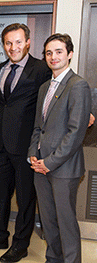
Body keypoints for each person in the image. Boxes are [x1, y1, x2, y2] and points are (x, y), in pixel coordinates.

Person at [0, 24, 51, 262]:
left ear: (28, 42)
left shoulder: (41, 69)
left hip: (27, 148)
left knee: (26, 199)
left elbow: (55, 98)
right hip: (1, 146)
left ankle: (21, 245)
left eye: (18, 42)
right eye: (8, 43)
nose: (13, 47)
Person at [28, 33, 91, 263]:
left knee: (66, 222)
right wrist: (33, 157)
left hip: (63, 168)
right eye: (48, 53)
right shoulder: (45, 87)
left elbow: (76, 133)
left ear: (70, 54)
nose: (53, 57)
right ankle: (53, 259)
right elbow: (38, 127)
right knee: (49, 221)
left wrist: (50, 162)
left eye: (58, 51)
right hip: (40, 167)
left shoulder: (78, 85)